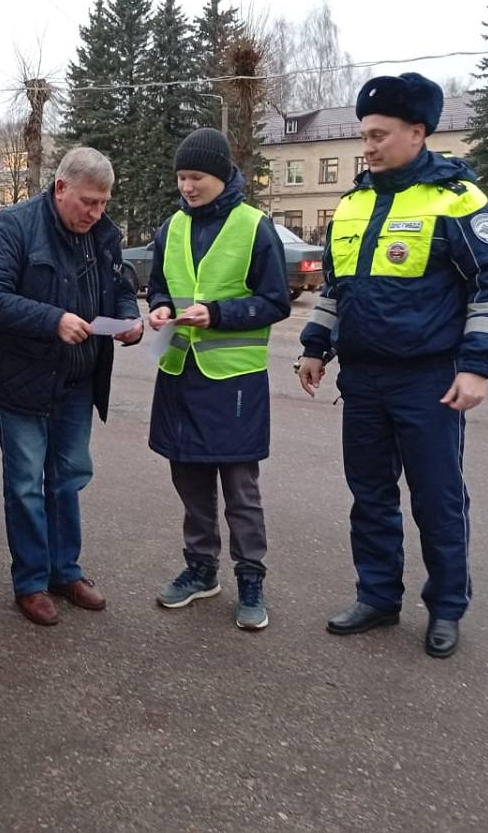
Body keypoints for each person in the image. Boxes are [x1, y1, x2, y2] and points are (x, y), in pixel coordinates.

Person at [296, 72, 488, 659]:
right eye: (364, 135)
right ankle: (377, 597)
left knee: (437, 498)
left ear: (418, 133)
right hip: (363, 380)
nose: (367, 146)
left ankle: (446, 607)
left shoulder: (456, 199)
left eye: (379, 135)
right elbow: (337, 290)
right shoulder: (352, 204)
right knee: (369, 495)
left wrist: (477, 367)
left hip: (430, 380)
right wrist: (316, 347)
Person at [0, 147, 142, 626]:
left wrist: (129, 318)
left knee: (67, 478)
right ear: (61, 188)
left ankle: (66, 570)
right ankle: (30, 582)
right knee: (26, 484)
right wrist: (53, 320)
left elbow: (122, 286)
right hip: (22, 381)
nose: (96, 213)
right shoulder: (16, 226)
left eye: (104, 203)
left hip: (77, 382)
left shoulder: (102, 235)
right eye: (88, 202)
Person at [148, 128, 291, 630]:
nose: (187, 186)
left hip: (233, 382)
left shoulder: (254, 226)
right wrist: (160, 307)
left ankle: (250, 580)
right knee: (189, 481)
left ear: (223, 174)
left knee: (240, 491)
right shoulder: (171, 227)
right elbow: (159, 286)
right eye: (182, 177)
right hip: (179, 375)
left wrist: (218, 313)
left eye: (197, 177)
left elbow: (276, 301)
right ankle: (201, 570)